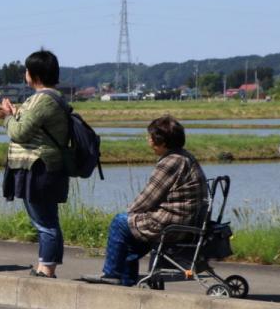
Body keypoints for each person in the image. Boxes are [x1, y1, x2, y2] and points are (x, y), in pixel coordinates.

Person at [81, 116, 206, 286]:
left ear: (162, 142)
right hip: (185, 221)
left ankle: (111, 273)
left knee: (120, 222)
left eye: (151, 137)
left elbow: (147, 198)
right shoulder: (184, 156)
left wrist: (129, 212)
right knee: (130, 238)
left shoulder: (171, 162)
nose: (148, 140)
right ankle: (126, 281)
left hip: (172, 223)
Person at [0, 49, 69, 278]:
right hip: (39, 165)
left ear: (33, 74)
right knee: (45, 218)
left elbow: (19, 132)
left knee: (44, 220)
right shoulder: (45, 98)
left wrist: (6, 118)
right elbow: (31, 127)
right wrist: (14, 113)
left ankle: (46, 269)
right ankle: (46, 266)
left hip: (39, 166)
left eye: (27, 70)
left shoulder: (42, 99)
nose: (25, 74)